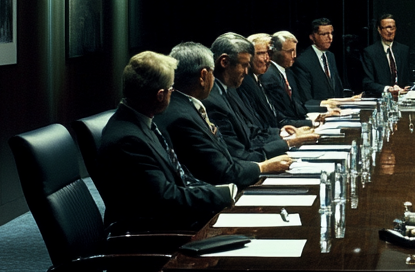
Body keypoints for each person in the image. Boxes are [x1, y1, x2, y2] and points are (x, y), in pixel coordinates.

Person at [95, 50, 234, 232]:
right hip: (153, 236)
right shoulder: (128, 140)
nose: (172, 93)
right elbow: (166, 198)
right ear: (160, 95)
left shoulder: (142, 121)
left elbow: (181, 175)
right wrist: (222, 194)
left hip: (173, 221)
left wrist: (218, 191)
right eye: (171, 89)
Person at [156, 41, 292, 187]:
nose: (214, 78)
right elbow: (221, 173)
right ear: (203, 76)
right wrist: (262, 167)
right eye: (212, 72)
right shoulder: (182, 117)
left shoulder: (185, 106)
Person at [204, 33, 290, 161]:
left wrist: (279, 134)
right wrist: (285, 144)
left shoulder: (229, 89)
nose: (246, 71)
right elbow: (238, 153)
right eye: (244, 65)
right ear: (224, 62)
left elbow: (247, 129)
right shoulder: (213, 100)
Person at [238, 32, 320, 146]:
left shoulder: (258, 78)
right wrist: (282, 135)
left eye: (269, 53)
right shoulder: (246, 83)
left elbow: (275, 115)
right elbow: (256, 127)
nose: (267, 59)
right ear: (249, 56)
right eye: (261, 53)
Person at [294, 17, 350, 110]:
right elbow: (306, 99)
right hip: (318, 112)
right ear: (312, 36)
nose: (330, 38)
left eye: (331, 33)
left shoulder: (330, 56)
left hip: (336, 111)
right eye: (324, 34)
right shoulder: (303, 61)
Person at [361, 13, 412, 96]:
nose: (390, 31)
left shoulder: (404, 50)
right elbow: (367, 83)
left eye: (393, 27)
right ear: (379, 30)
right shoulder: (370, 52)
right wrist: (388, 89)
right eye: (387, 27)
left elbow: (408, 78)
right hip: (380, 98)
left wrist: (408, 87)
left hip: (402, 98)